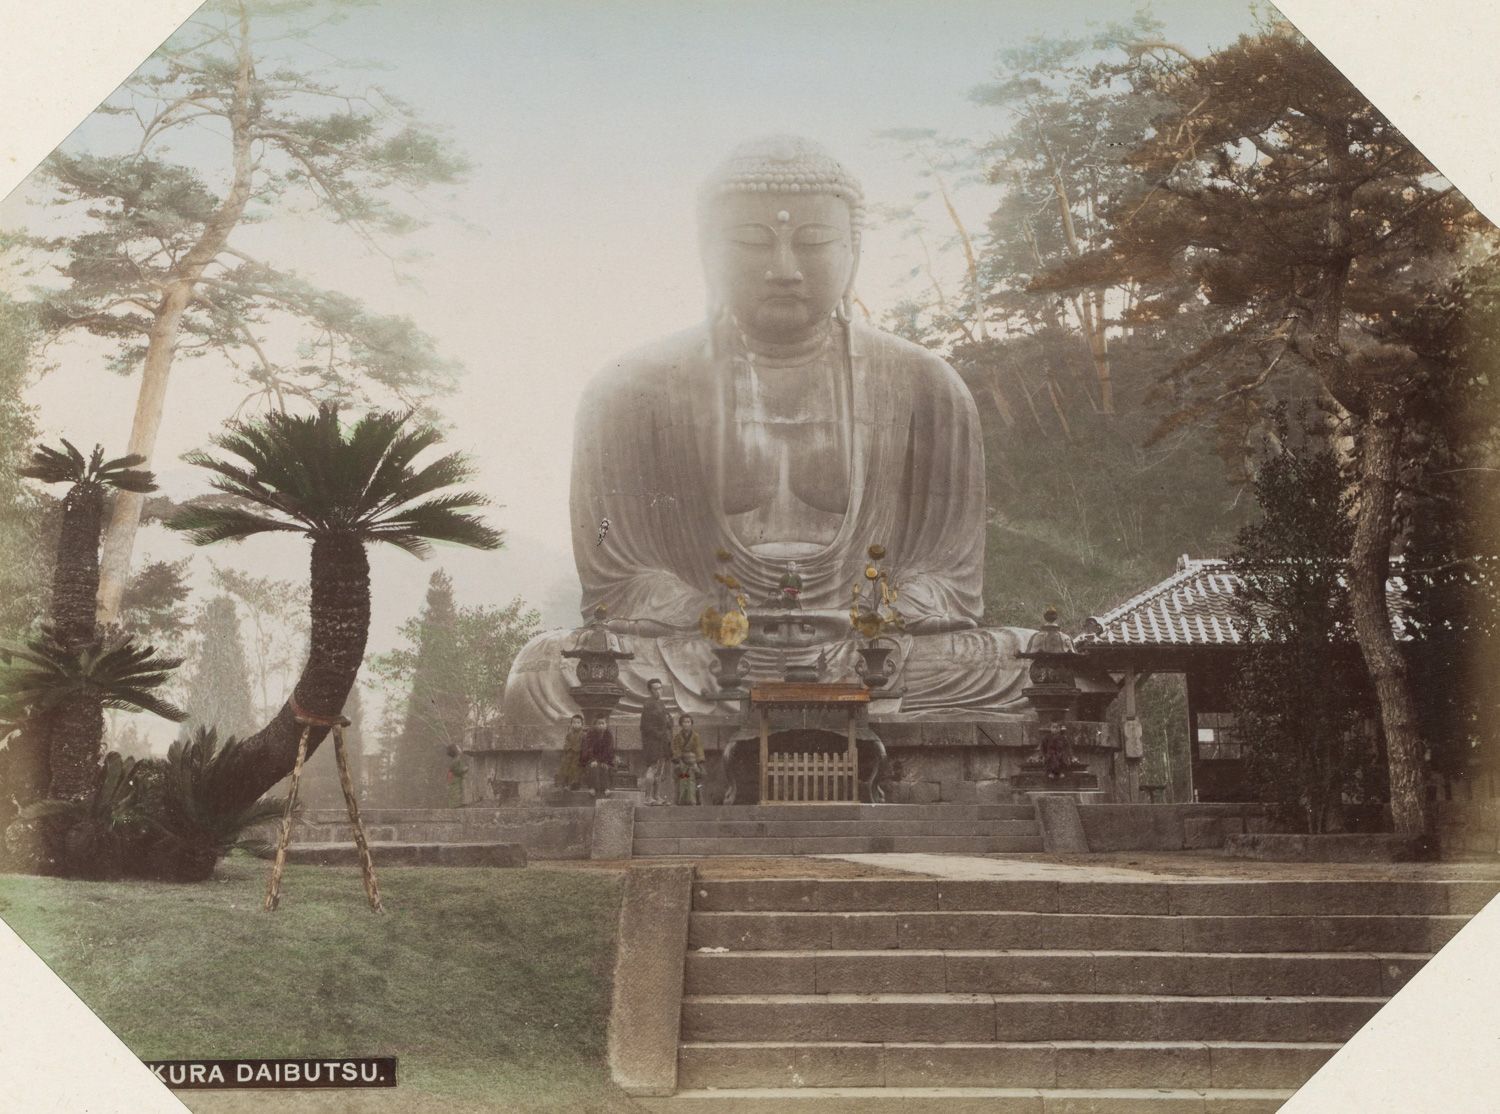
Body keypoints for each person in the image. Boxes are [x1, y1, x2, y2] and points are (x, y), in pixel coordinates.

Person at [501, 135, 1034, 726]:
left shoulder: (926, 384)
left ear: (854, 251)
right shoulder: (629, 390)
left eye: (814, 241)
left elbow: (949, 576)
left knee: (1029, 662)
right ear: (708, 252)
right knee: (543, 671)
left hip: (868, 649)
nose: (784, 269)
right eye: (752, 242)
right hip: (700, 650)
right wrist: (713, 616)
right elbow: (615, 573)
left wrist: (877, 613)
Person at [639, 678, 673, 806]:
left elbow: (667, 721)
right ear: (650, 691)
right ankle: (648, 797)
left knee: (660, 770)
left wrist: (669, 722)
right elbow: (645, 726)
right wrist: (660, 733)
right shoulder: (648, 705)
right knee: (653, 768)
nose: (659, 691)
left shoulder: (661, 704)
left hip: (662, 741)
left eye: (660, 688)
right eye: (655, 689)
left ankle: (657, 796)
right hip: (653, 742)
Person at [671, 714, 705, 805]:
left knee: (695, 782)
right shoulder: (677, 737)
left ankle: (695, 801)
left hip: (694, 762)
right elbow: (676, 749)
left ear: (691, 724)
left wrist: (697, 763)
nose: (686, 724)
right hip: (682, 763)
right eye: (684, 722)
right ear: (681, 724)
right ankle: (682, 801)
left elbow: (698, 749)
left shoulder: (696, 736)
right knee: (683, 780)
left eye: (688, 722)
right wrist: (679, 761)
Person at [580, 715, 616, 798]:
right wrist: (593, 760)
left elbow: (609, 750)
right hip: (592, 759)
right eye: (599, 724)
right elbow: (588, 749)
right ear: (595, 725)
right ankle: (592, 787)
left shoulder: (608, 735)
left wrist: (605, 761)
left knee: (604, 767)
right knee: (594, 767)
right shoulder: (590, 734)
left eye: (603, 723)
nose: (601, 726)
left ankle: (606, 788)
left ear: (606, 725)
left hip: (605, 759)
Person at [556, 713, 585, 791]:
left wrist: (576, 749)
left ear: (582, 724)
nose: (576, 725)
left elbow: (583, 745)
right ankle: (563, 783)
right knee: (565, 765)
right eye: (574, 722)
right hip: (569, 753)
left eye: (578, 723)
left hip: (578, 755)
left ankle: (572, 784)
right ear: (571, 724)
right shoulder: (569, 734)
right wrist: (568, 749)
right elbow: (566, 743)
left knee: (574, 767)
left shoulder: (583, 734)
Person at [445, 744, 469, 808]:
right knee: (455, 791)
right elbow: (456, 770)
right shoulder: (456, 760)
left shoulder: (457, 759)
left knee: (457, 790)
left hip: (457, 778)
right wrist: (464, 769)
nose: (460, 748)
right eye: (458, 747)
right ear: (456, 751)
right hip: (455, 779)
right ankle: (455, 805)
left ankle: (457, 804)